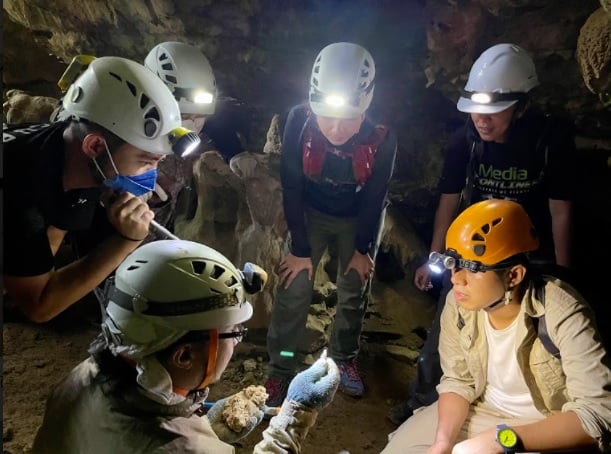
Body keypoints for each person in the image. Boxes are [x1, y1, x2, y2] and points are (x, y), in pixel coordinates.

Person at [388, 43, 576, 425]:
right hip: (472, 250)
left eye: (494, 111)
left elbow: (560, 209)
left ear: (521, 106)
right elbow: (448, 200)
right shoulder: (466, 142)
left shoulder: (547, 141)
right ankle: (423, 401)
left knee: (540, 331)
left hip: (526, 252)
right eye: (475, 110)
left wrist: (563, 272)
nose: (481, 120)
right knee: (448, 323)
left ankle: (543, 410)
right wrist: (435, 256)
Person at [32, 239, 340, 453]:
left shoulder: (82, 377)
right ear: (184, 355)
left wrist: (205, 424)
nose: (235, 342)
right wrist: (293, 419)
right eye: (233, 333)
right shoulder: (190, 450)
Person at [382, 199, 611, 453]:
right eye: (453, 264)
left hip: (547, 421)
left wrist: (500, 440)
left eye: (473, 268)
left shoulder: (562, 312)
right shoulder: (459, 306)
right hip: (483, 409)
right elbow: (458, 381)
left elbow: (596, 413)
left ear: (513, 275)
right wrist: (443, 442)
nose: (457, 279)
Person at [3, 56, 199, 323]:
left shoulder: (78, 160)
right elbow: (40, 305)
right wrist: (126, 242)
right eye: (145, 161)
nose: (149, 176)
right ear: (94, 146)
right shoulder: (22, 188)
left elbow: (54, 232)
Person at [264, 42, 397, 405]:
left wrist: (362, 250)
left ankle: (342, 358)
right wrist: (300, 249)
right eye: (328, 117)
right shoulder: (299, 119)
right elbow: (291, 183)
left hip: (358, 214)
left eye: (347, 119)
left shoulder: (381, 135)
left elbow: (375, 196)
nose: (336, 129)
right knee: (294, 286)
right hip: (312, 209)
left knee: (354, 287)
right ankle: (281, 368)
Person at [143, 41, 255, 230]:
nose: (192, 124)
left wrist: (238, 158)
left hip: (161, 219)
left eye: (200, 116)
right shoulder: (124, 133)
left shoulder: (208, 123)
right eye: (184, 116)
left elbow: (225, 137)